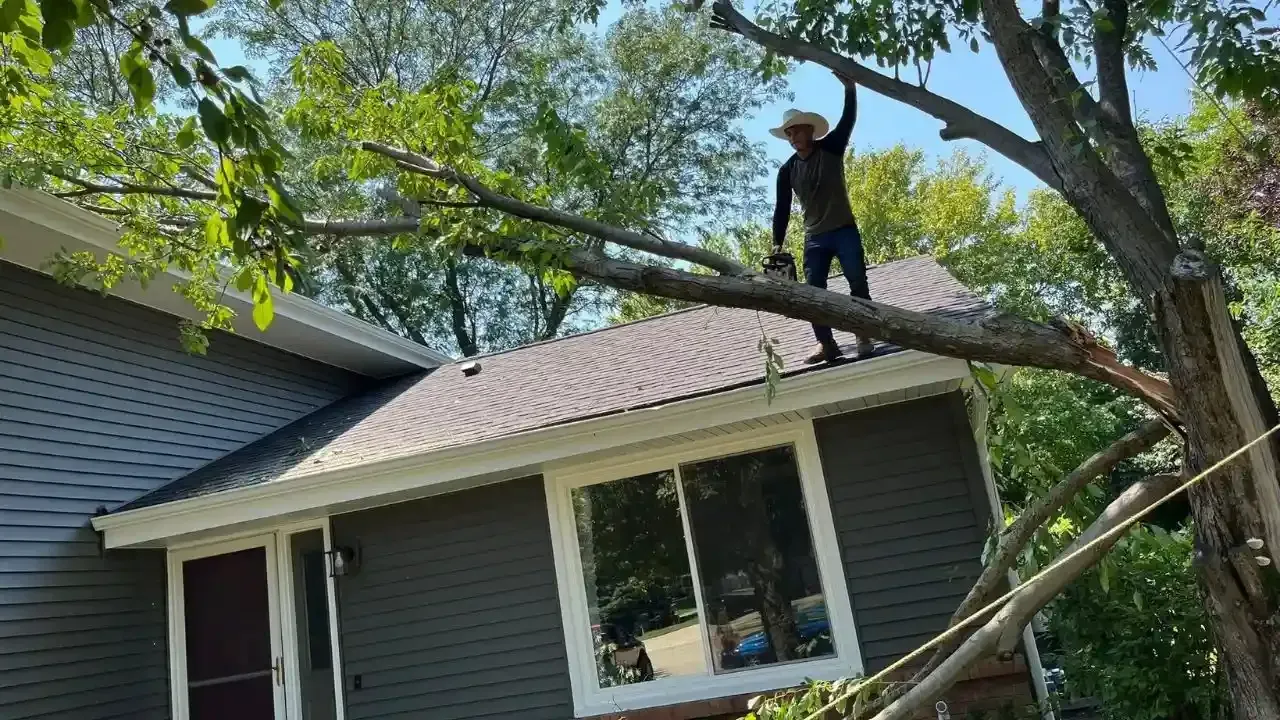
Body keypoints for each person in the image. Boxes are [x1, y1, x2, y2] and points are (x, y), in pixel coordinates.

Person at [770, 73, 874, 364]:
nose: (793, 138)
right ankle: (826, 344)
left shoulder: (831, 148)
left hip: (844, 231)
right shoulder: (787, 170)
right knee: (813, 293)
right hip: (815, 238)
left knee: (857, 282)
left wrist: (850, 88)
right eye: (788, 134)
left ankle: (863, 333)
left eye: (796, 132)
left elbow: (848, 120)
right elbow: (782, 207)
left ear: (810, 131)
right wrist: (776, 244)